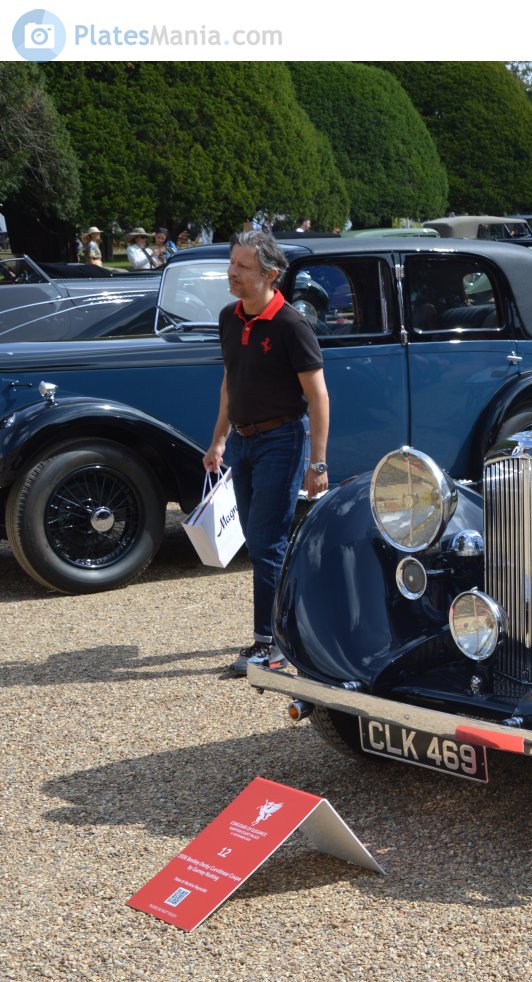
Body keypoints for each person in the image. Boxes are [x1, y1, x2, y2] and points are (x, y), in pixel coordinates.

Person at [203, 230, 330, 677]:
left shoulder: (292, 325)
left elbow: (318, 398)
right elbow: (230, 382)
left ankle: (270, 644)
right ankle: (280, 630)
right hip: (242, 442)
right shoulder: (229, 317)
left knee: (266, 542)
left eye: (243, 266)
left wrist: (318, 463)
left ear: (270, 274)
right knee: (260, 542)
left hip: (282, 440)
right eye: (232, 263)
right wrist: (219, 440)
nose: (232, 273)